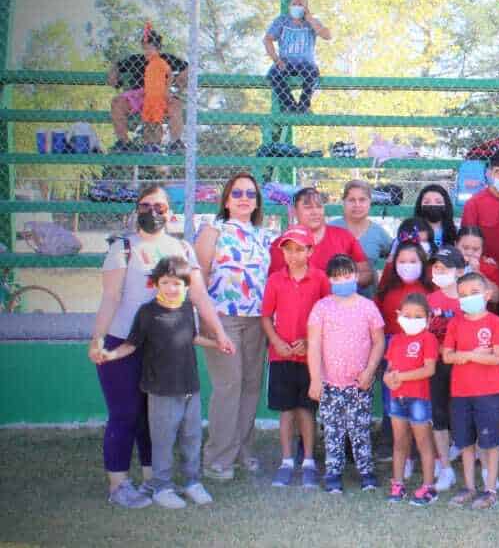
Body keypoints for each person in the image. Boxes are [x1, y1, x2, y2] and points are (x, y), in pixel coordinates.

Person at [88, 185, 232, 508]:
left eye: (160, 207)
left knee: (153, 418)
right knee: (125, 413)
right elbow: (111, 298)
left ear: (171, 212)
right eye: (146, 205)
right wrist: (98, 339)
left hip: (166, 350)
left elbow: (199, 296)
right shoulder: (123, 248)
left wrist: (219, 333)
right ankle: (119, 485)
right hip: (124, 341)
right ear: (136, 208)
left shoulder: (181, 248)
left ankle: (155, 481)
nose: (153, 212)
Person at [194, 172, 273, 481]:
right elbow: (198, 277)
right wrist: (206, 322)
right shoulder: (212, 231)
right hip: (222, 318)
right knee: (228, 386)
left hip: (256, 320)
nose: (244, 199)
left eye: (250, 194)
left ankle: (243, 450)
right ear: (226, 200)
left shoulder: (263, 235)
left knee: (251, 386)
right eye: (237, 193)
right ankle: (217, 458)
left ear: (257, 202)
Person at [306, 255, 386, 494]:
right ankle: (333, 472)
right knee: (332, 429)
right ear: (329, 279)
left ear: (356, 276)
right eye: (337, 277)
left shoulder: (368, 307)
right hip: (330, 383)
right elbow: (313, 345)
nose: (343, 280)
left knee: (360, 428)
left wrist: (370, 371)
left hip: (359, 383)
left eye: (348, 275)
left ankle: (366, 471)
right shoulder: (322, 307)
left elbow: (379, 342)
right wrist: (315, 379)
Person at [262, 227, 329, 488]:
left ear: (310, 251)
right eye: (288, 249)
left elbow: (327, 316)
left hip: (309, 357)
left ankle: (309, 461)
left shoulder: (321, 279)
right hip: (281, 357)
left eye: (300, 249)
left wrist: (310, 343)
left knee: (306, 410)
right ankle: (287, 461)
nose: (293, 255)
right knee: (286, 411)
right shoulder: (275, 280)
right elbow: (266, 316)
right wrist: (277, 342)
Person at [441, 273, 499, 510]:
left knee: (489, 442)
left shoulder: (495, 322)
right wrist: (476, 354)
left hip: (488, 392)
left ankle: (490, 489)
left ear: (487, 295)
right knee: (465, 441)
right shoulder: (456, 323)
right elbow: (447, 356)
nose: (468, 299)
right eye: (463, 295)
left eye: (473, 293)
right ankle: (469, 486)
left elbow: (497, 357)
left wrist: (466, 356)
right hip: (461, 392)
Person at [373, 240, 432, 465]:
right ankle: (397, 448)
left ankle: (423, 451)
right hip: (393, 351)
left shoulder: (430, 288)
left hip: (422, 352)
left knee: (421, 402)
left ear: (422, 263)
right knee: (393, 400)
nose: (407, 265)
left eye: (413, 261)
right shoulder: (387, 289)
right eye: (402, 261)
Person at [383, 292, 439, 506]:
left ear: (428, 318)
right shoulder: (396, 340)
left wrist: (401, 377)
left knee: (423, 442)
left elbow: (429, 369)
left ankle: (428, 487)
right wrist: (389, 378)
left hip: (418, 399)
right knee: (399, 442)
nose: (412, 320)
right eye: (408, 315)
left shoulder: (428, 339)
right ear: (399, 315)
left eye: (418, 316)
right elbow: (389, 368)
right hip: (397, 398)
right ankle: (397, 484)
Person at [268, 188, 372, 288]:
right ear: (294, 211)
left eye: (319, 207)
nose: (315, 212)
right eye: (308, 207)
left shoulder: (343, 236)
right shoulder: (281, 244)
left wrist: (342, 281)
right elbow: (273, 284)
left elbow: (366, 273)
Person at [425, 245, 467, 491]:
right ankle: (445, 469)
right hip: (438, 368)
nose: (439, 272)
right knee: (439, 416)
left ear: (460, 271)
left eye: (445, 268)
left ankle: (480, 468)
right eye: (436, 267)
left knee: (467, 417)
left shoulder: (468, 298)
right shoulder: (429, 300)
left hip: (464, 367)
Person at [107, 27, 187, 153]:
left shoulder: (165, 59)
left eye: (151, 47)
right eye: (145, 47)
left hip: (159, 95)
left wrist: (179, 81)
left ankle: (175, 143)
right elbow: (116, 66)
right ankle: (124, 143)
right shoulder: (136, 59)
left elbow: (186, 68)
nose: (147, 50)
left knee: (176, 104)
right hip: (138, 96)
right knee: (117, 102)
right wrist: (113, 74)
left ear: (158, 48)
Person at [264, 0, 331, 113]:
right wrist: (276, 59)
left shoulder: (311, 22)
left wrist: (310, 19)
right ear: (289, 6)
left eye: (300, 4)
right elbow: (267, 39)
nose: (297, 6)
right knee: (273, 75)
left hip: (306, 63)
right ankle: (289, 106)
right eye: (294, 4)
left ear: (306, 8)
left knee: (312, 74)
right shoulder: (282, 20)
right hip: (285, 62)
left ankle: (304, 107)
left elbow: (327, 36)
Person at [330, 180, 393, 296]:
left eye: (362, 200)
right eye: (351, 200)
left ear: (370, 202)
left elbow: (394, 253)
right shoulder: (331, 228)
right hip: (333, 301)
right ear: (343, 202)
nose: (357, 205)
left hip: (367, 302)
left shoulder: (378, 233)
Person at [457, 226, 499, 306]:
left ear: (482, 249)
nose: (469, 253)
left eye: (475, 249)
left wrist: (477, 271)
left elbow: (496, 298)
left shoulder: (490, 267)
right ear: (456, 244)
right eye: (465, 248)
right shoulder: (446, 262)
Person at [413, 184, 458, 250]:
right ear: (420, 206)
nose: (433, 205)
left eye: (438, 202)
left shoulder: (455, 232)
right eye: (427, 202)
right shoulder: (411, 231)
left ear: (446, 206)